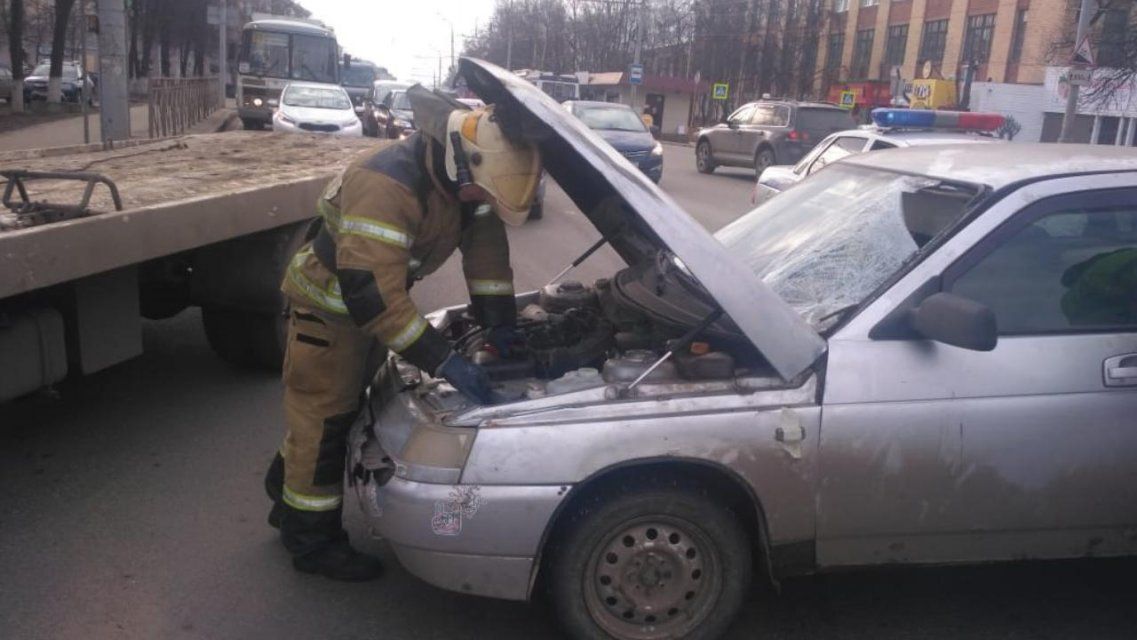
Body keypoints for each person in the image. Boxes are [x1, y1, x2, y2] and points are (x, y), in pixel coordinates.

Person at [263, 85, 542, 581]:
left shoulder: (468, 182)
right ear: (464, 163)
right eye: (480, 191)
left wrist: (501, 326)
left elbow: (486, 258)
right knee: (324, 422)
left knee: (340, 413)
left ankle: (284, 493)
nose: (481, 200)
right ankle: (311, 544)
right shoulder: (386, 184)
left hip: (364, 307)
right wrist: (445, 361)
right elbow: (374, 298)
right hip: (327, 311)